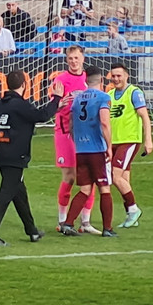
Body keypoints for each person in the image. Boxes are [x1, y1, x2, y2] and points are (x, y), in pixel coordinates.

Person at [0, 70, 63, 245]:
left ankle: (32, 230)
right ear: (24, 85)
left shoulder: (1, 104)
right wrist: (56, 99)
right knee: (6, 193)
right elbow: (41, 116)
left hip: (1, 152)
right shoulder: (19, 104)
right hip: (14, 155)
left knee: (19, 192)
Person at [61, 66, 115, 237]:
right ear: (101, 80)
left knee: (85, 189)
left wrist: (76, 140)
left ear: (85, 80)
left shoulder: (77, 99)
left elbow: (70, 124)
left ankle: (68, 223)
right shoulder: (103, 97)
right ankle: (107, 228)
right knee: (104, 188)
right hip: (97, 150)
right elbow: (105, 122)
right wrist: (109, 146)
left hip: (81, 150)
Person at [52, 45, 98, 233]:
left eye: (76, 58)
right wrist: (58, 102)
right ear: (66, 60)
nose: (73, 61)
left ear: (83, 59)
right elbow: (52, 106)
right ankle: (62, 220)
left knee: (90, 176)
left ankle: (85, 222)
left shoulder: (90, 80)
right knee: (70, 177)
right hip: (64, 132)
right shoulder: (60, 80)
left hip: (86, 133)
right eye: (70, 58)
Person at [107, 62, 151, 228]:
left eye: (119, 75)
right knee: (123, 179)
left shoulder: (134, 92)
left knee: (114, 176)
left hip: (129, 140)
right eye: (114, 76)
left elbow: (145, 117)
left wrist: (148, 139)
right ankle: (131, 215)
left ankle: (133, 209)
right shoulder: (110, 95)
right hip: (114, 142)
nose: (116, 78)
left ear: (126, 76)